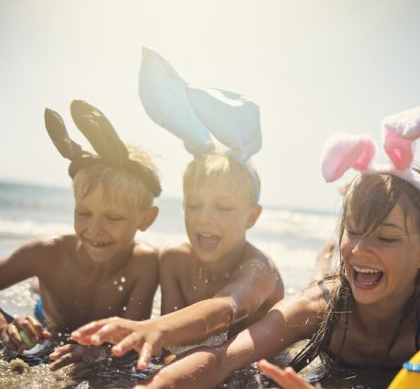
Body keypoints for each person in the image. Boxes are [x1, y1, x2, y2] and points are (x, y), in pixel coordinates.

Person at [13, 106, 420, 389]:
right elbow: (221, 357)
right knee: (333, 273)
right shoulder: (321, 305)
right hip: (332, 300)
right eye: (353, 231)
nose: (358, 250)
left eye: (387, 238)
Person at [70, 48, 283, 370]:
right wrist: (103, 349)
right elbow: (173, 343)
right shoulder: (173, 261)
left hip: (257, 371)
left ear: (251, 217)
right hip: (203, 366)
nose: (205, 217)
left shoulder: (259, 269)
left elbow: (228, 306)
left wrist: (152, 328)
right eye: (194, 205)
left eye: (223, 208)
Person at [0, 100, 161, 370]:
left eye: (113, 217)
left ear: (146, 219)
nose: (94, 229)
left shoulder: (144, 263)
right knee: (40, 297)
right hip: (52, 319)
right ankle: (39, 289)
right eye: (84, 213)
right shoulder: (48, 253)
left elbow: (131, 337)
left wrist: (98, 353)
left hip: (84, 324)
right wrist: (5, 326)